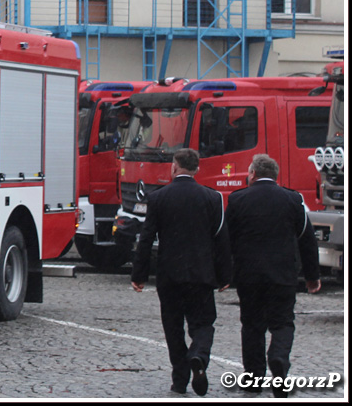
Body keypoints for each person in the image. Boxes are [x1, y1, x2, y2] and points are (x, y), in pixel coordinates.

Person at [131, 148, 232, 396]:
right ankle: (198, 354)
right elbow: (222, 239)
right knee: (204, 323)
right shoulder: (212, 198)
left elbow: (146, 238)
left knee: (173, 327)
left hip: (170, 273)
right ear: (197, 169)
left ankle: (179, 379)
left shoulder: (159, 197)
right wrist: (225, 275)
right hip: (201, 272)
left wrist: (139, 274)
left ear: (174, 167)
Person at [226, 154, 320, 398]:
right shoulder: (292, 199)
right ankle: (278, 358)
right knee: (282, 323)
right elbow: (306, 239)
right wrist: (312, 276)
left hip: (249, 275)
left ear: (253, 174)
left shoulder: (237, 200)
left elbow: (227, 240)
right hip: (283, 274)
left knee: (252, 326)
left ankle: (254, 378)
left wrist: (224, 273)